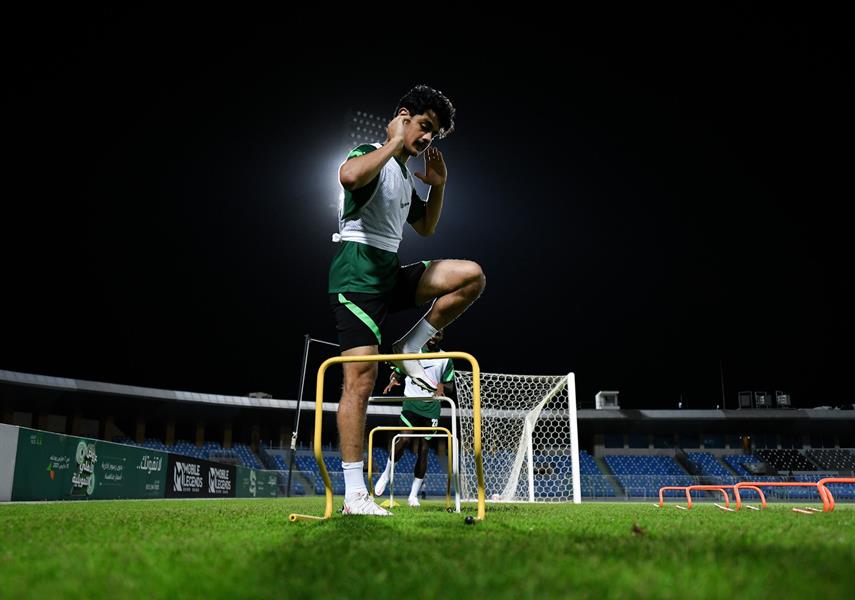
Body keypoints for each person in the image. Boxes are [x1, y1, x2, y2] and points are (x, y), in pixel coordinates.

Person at [328, 84, 485, 516]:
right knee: (360, 380)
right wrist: (394, 142)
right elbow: (348, 176)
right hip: (357, 276)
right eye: (424, 126)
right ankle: (355, 495)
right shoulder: (371, 154)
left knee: (470, 276)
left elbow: (426, 228)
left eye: (434, 133)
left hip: (389, 273)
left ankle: (410, 345)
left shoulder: (400, 173)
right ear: (403, 117)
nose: (428, 138)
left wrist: (439, 186)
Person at [374, 329, 454, 507]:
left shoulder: (446, 358)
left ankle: (413, 496)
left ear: (442, 336)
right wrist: (393, 379)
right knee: (404, 439)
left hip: (432, 408)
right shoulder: (413, 352)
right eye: (432, 333)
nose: (433, 337)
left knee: (424, 450)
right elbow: (398, 372)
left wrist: (442, 385)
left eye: (438, 334)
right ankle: (386, 475)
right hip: (411, 403)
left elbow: (450, 385)